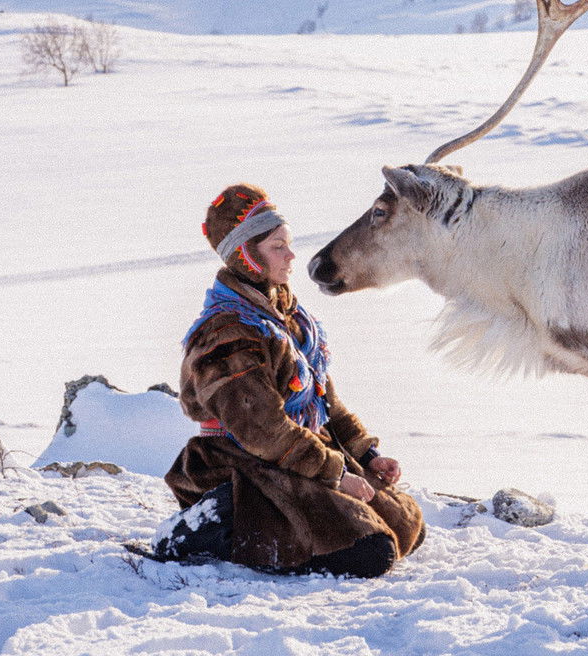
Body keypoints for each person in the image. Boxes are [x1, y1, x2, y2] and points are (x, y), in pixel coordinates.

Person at [146, 183, 425, 578]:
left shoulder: (288, 318)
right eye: (278, 246)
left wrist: (366, 456)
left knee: (407, 526)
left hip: (297, 452)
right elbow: (262, 430)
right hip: (243, 460)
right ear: (246, 255)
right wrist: (337, 475)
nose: (292, 255)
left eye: (288, 243)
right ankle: (212, 525)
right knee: (368, 552)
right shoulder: (228, 333)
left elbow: (325, 402)